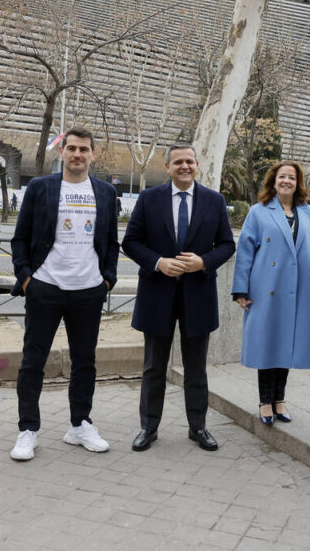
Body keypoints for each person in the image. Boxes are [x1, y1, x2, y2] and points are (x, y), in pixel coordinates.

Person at [8, 128, 119, 461]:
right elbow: (20, 238)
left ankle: (80, 424)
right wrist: (27, 278)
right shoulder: (41, 188)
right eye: (71, 148)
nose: (77, 154)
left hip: (88, 291)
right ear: (62, 152)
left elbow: (111, 242)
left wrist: (107, 280)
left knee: (85, 362)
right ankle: (28, 429)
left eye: (84, 149)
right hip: (45, 288)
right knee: (33, 362)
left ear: (92, 154)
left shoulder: (105, 191)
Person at [123, 143, 235, 452]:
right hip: (157, 295)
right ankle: (149, 428)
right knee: (153, 367)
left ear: (197, 165)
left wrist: (204, 262)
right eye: (178, 162)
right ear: (168, 167)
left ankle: (198, 427)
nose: (184, 166)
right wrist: (159, 263)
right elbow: (130, 242)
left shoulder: (214, 201)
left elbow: (227, 244)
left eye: (189, 161)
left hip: (198, 296)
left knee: (196, 368)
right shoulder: (149, 199)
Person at [231, 161, 310, 426]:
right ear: (273, 181)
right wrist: (240, 290)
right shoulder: (258, 212)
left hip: (298, 289)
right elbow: (245, 252)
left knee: (287, 344)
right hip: (266, 288)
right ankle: (265, 401)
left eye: (291, 177)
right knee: (266, 344)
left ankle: (280, 399)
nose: (286, 181)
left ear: (298, 183)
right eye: (282, 176)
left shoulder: (308, 214)